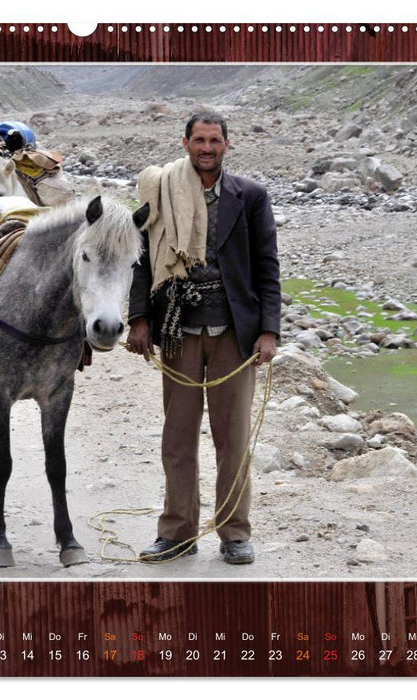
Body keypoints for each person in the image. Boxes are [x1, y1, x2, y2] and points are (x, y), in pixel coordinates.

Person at [126, 112, 280, 565]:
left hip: (234, 332)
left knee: (231, 439)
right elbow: (143, 262)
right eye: (199, 140)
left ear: (227, 145)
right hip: (178, 330)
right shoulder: (159, 191)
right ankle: (177, 533)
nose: (206, 148)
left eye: (214, 140)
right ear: (186, 142)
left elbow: (267, 265)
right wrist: (139, 319)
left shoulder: (250, 196)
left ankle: (234, 533)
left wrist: (268, 330)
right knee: (177, 438)